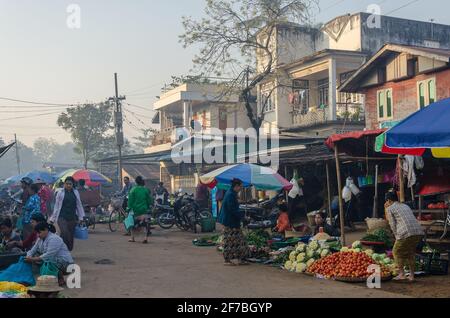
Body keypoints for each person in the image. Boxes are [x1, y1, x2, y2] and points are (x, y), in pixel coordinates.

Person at [385, 192, 424, 282]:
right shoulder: (405, 206)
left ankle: (402, 274)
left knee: (396, 251)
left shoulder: (390, 208)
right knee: (410, 253)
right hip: (418, 231)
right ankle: (411, 276)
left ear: (389, 200)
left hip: (405, 232)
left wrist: (396, 236)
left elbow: (392, 224)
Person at [218, 178, 249, 266]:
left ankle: (241, 259)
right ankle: (227, 260)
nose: (241, 188)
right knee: (230, 241)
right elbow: (233, 209)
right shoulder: (231, 194)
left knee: (239, 241)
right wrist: (243, 217)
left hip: (232, 221)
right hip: (229, 221)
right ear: (236, 186)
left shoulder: (232, 193)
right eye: (240, 187)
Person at [49, 177, 85, 252]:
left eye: (70, 184)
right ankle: (62, 249)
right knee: (64, 232)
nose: (68, 185)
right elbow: (56, 206)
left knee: (70, 235)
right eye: (67, 184)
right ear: (64, 184)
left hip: (72, 217)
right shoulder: (60, 192)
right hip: (62, 216)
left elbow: (79, 205)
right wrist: (52, 219)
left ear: (73, 184)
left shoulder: (76, 192)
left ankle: (66, 250)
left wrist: (81, 218)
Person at [127, 176, 154, 244]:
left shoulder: (133, 190)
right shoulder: (145, 190)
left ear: (136, 182)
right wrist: (148, 206)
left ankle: (132, 238)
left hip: (135, 210)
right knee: (144, 224)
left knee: (131, 223)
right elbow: (149, 200)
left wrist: (129, 208)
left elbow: (130, 201)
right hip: (143, 209)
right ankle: (145, 238)